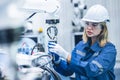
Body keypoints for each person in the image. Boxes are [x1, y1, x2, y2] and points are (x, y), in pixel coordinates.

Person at [48, 4, 117, 80]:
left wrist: (66, 55)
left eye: (94, 24)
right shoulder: (81, 46)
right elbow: (69, 70)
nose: (89, 28)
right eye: (87, 23)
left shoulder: (109, 50)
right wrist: (58, 61)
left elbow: (93, 70)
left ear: (103, 28)